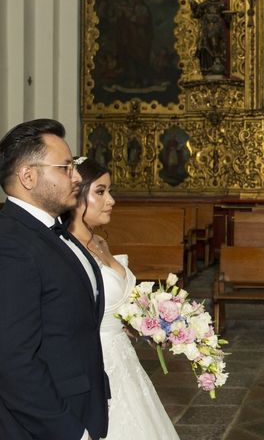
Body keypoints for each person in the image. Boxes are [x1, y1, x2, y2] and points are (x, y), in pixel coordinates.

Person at [0, 119, 109, 440]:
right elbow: (13, 360)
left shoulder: (56, 232)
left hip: (80, 405)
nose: (76, 176)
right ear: (28, 176)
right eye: (65, 167)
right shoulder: (11, 243)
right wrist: (69, 431)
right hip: (48, 422)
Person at [67, 158, 180, 440]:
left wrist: (148, 324)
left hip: (125, 358)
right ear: (76, 196)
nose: (112, 200)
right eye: (101, 191)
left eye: (110, 191)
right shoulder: (67, 251)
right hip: (98, 361)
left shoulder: (99, 242)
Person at [190, 0, 232, 77]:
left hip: (217, 27)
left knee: (215, 42)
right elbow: (197, 13)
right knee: (205, 44)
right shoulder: (206, 3)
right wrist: (193, 5)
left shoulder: (221, 3)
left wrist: (228, 16)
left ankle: (217, 59)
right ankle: (210, 66)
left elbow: (226, 15)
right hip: (207, 27)